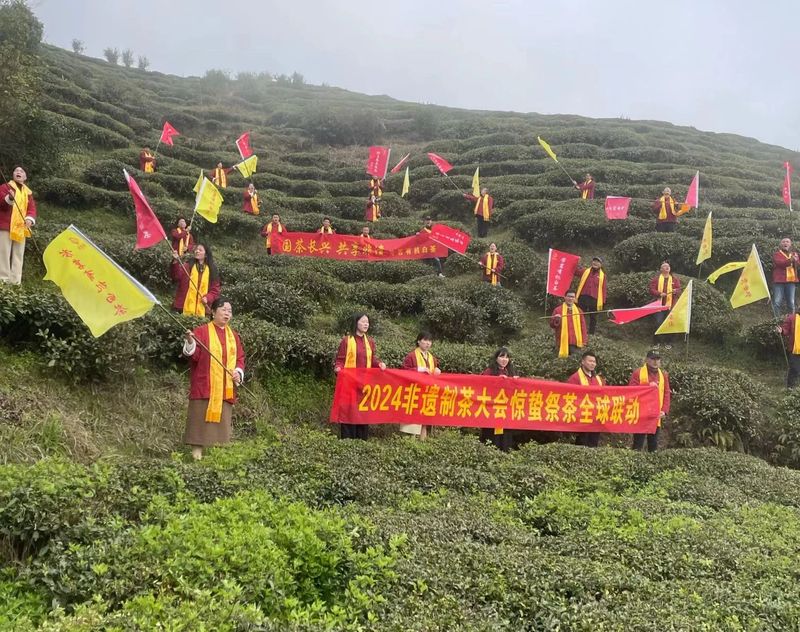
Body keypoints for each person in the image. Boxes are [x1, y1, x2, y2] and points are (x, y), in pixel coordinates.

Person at [182, 297, 245, 460]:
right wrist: (190, 341)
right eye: (224, 309)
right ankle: (197, 455)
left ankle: (218, 457)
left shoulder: (234, 336)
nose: (227, 313)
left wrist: (238, 371)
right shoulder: (202, 331)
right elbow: (193, 355)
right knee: (199, 420)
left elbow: (240, 358)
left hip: (225, 386)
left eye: (230, 311)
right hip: (205, 383)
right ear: (213, 312)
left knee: (222, 423)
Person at [333, 313, 387, 440]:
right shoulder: (347, 340)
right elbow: (340, 359)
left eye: (367, 322)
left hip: (364, 383)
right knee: (349, 410)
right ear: (356, 323)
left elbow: (372, 359)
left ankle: (361, 441)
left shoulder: (370, 342)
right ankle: (347, 440)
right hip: (349, 382)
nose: (366, 324)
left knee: (362, 410)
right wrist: (338, 368)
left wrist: (379, 364)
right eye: (363, 321)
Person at [399, 332, 441, 440]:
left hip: (427, 391)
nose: (427, 343)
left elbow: (433, 373)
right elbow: (404, 371)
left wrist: (437, 371)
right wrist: (418, 370)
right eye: (425, 340)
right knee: (412, 421)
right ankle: (410, 442)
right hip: (414, 391)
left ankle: (423, 441)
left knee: (424, 420)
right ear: (418, 341)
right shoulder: (411, 356)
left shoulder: (432, 358)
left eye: (429, 341)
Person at [0, 167, 37, 285]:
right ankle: (3, 280)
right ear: (13, 175)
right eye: (16, 171)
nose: (18, 172)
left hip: (21, 227)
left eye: (21, 171)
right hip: (6, 225)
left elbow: (31, 209)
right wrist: (10, 198)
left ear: (25, 177)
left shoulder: (28, 193)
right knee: (3, 253)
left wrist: (29, 220)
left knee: (18, 254)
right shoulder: (5, 187)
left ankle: (15, 282)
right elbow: (1, 204)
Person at [629, 350, 670, 452]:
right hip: (641, 413)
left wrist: (664, 410)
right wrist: (647, 385)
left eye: (657, 359)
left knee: (653, 442)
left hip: (656, 413)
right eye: (652, 359)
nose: (655, 362)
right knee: (638, 442)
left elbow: (666, 393)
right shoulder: (638, 373)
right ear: (647, 360)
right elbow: (631, 390)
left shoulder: (663, 375)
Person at [480, 347, 518, 450]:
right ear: (496, 358)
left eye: (507, 357)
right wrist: (497, 381)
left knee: (506, 435)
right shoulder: (489, 371)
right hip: (492, 409)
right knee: (492, 436)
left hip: (506, 410)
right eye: (501, 356)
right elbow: (481, 385)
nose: (504, 359)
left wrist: (515, 382)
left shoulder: (510, 371)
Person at [566, 351, 604, 447]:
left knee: (593, 443)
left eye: (594, 362)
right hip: (582, 416)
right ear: (583, 362)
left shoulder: (598, 379)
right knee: (582, 443)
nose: (592, 364)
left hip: (596, 417)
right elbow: (568, 396)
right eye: (590, 361)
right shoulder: (575, 378)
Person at [172, 243, 221, 316]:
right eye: (196, 250)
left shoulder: (212, 270)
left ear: (206, 255)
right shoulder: (187, 265)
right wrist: (175, 261)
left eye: (200, 250)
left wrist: (207, 298)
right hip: (183, 307)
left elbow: (215, 291)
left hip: (203, 309)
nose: (197, 251)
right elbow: (176, 276)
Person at [649, 262, 681, 346]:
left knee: (670, 324)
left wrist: (675, 291)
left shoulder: (674, 279)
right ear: (661, 269)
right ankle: (656, 342)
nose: (667, 268)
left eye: (668, 266)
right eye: (665, 266)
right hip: (659, 305)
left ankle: (669, 342)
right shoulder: (656, 279)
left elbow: (678, 289)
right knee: (658, 323)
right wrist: (659, 293)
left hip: (671, 305)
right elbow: (651, 289)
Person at [550, 290, 588, 358]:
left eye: (572, 297)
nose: (570, 299)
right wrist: (556, 319)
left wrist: (584, 340)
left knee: (575, 360)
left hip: (575, 342)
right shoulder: (558, 310)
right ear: (565, 297)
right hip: (562, 341)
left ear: (575, 298)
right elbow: (552, 325)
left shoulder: (579, 311)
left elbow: (583, 326)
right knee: (562, 362)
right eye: (569, 296)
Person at [574, 256, 607, 334]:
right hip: (583, 296)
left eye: (597, 261)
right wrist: (575, 261)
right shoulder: (585, 271)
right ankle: (578, 330)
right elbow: (575, 271)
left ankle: (591, 333)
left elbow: (604, 289)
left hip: (594, 299)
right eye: (594, 261)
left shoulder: (603, 276)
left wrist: (603, 301)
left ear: (601, 264)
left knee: (593, 317)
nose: (595, 263)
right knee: (579, 314)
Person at [772, 237, 799, 315]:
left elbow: (797, 266)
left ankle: (792, 322)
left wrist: (796, 260)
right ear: (781, 244)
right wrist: (790, 260)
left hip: (791, 281)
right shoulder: (777, 254)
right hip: (779, 281)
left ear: (790, 244)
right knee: (777, 302)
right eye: (783, 242)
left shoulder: (794, 254)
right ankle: (776, 322)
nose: (785, 243)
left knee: (791, 302)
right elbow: (779, 263)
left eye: (787, 242)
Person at [776, 306, 800, 387]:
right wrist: (781, 331)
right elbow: (785, 329)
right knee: (795, 370)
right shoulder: (792, 318)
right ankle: (790, 388)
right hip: (794, 349)